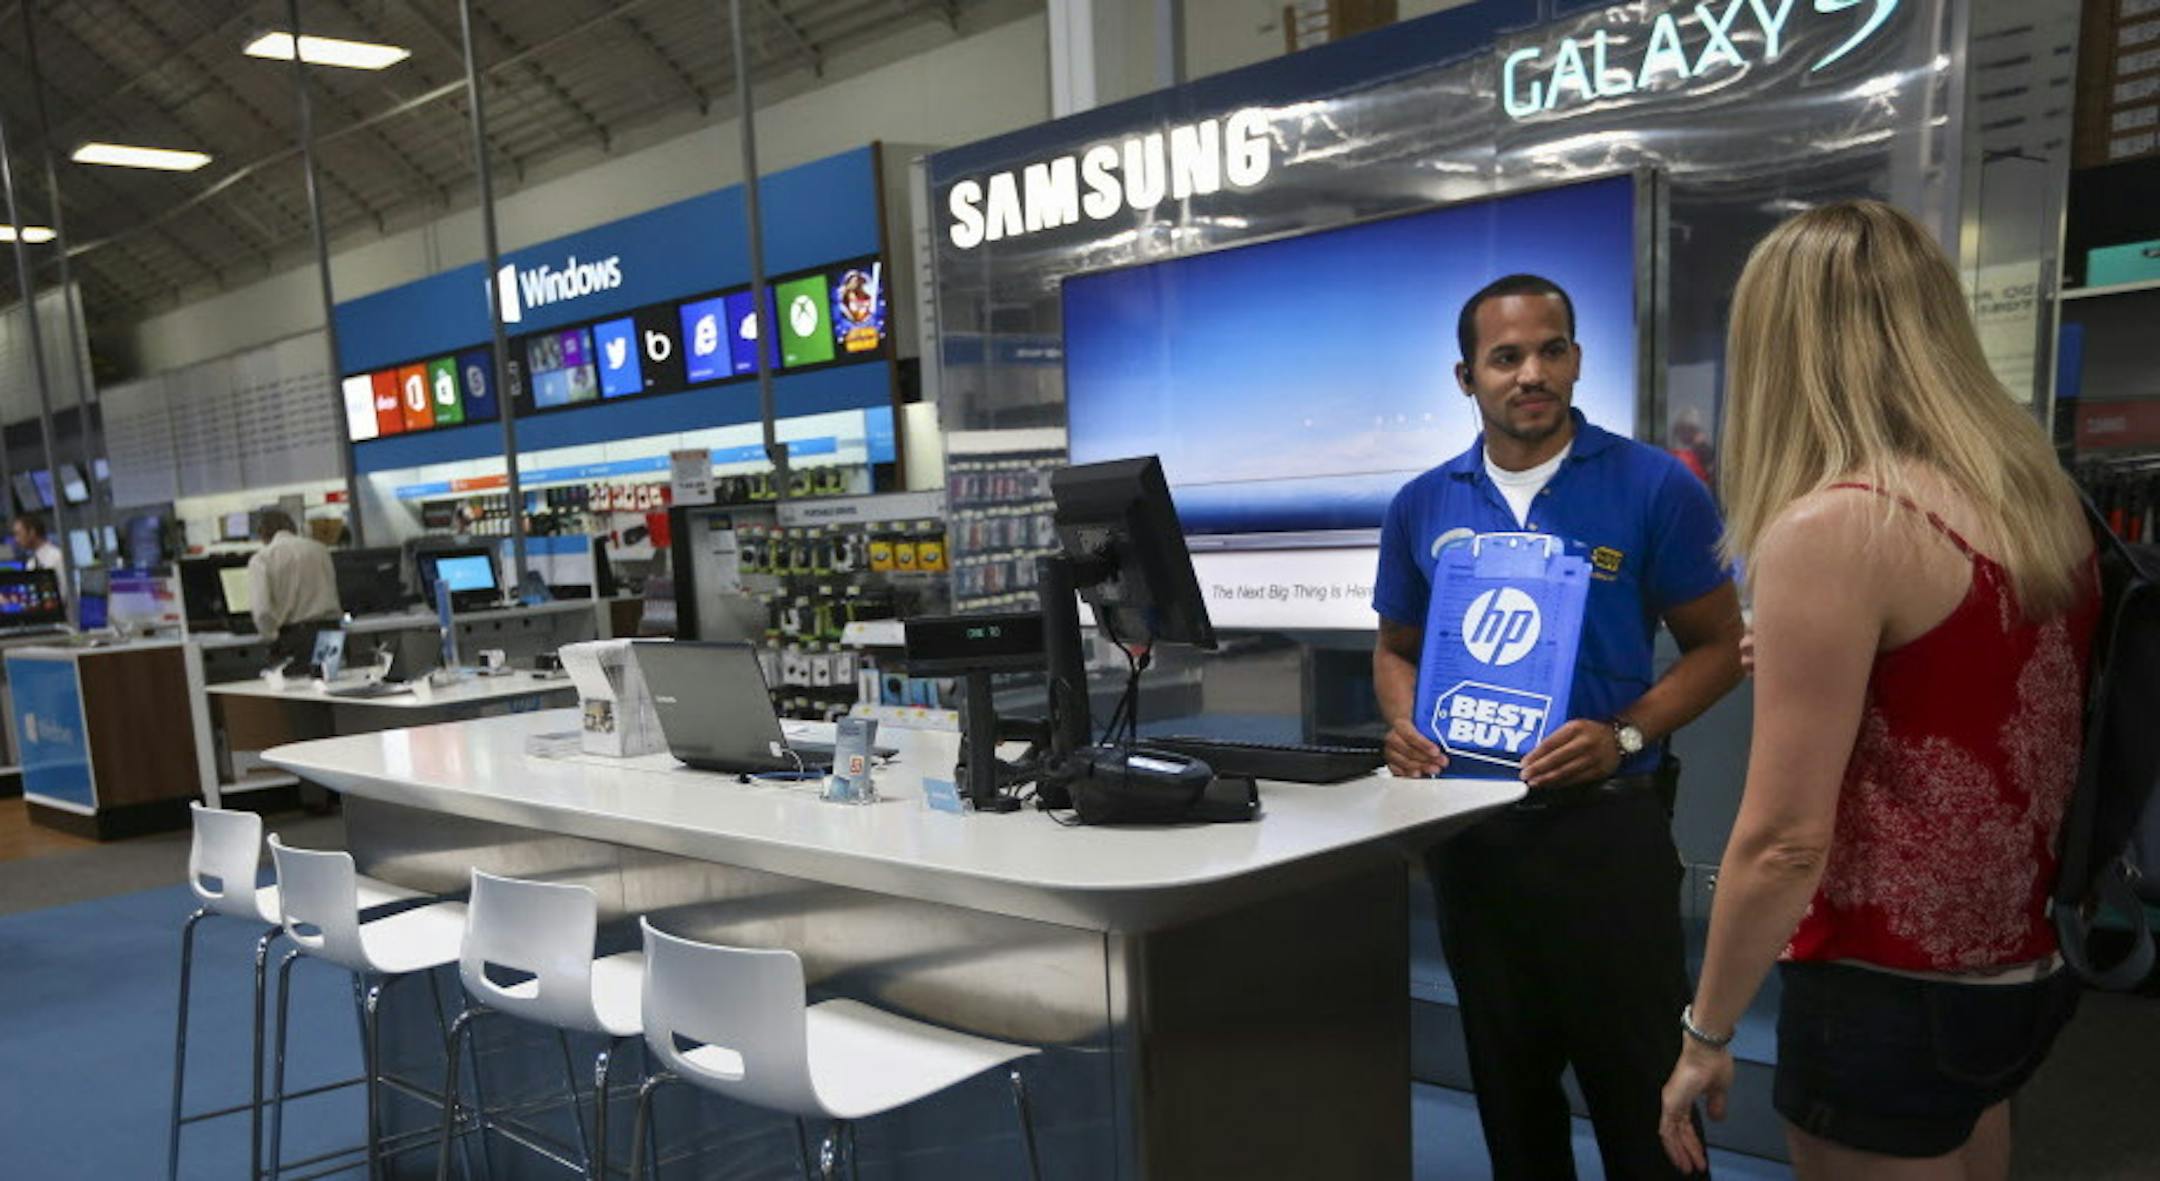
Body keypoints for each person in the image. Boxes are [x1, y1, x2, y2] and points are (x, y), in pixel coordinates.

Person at [1656, 201, 2097, 1181]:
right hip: (2020, 963)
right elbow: (1974, 688)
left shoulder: (1837, 525)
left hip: (1884, 989)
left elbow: (1783, 840)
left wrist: (1706, 1028)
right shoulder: (2040, 495)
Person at [1374, 273, 1746, 1179]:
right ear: (1468, 378)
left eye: (1551, 350)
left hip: (1608, 832)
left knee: (1641, 1098)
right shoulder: (1423, 504)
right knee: (1510, 1095)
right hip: (1472, 836)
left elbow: (1719, 646)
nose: (1530, 372)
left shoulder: (1655, 486)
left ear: (1577, 360)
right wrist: (1406, 723)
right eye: (1506, 357)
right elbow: (1396, 649)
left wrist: (1623, 733)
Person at [246, 508, 343, 668]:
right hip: (330, 631)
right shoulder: (320, 550)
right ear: (293, 528)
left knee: (299, 689)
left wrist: (272, 637)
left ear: (262, 534)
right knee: (331, 684)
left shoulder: (262, 559)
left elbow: (262, 610)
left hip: (294, 637)